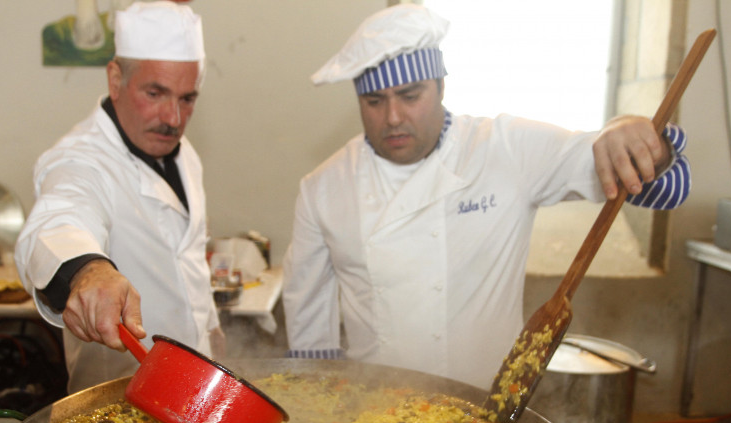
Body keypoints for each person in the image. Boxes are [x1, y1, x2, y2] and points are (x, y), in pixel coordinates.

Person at [282, 4, 691, 391]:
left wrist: (630, 135)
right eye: (374, 101)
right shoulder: (324, 188)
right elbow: (310, 337)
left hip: (486, 411)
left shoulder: (505, 149)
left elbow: (662, 186)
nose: (392, 117)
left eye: (410, 96)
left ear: (441, 86)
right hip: (374, 415)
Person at [15, 1, 222, 393]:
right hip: (118, 398)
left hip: (197, 386)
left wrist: (212, 332)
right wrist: (89, 272)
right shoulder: (79, 158)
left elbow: (188, 267)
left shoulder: (183, 154)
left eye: (187, 98)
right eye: (155, 92)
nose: (173, 118)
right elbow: (57, 222)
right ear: (115, 79)